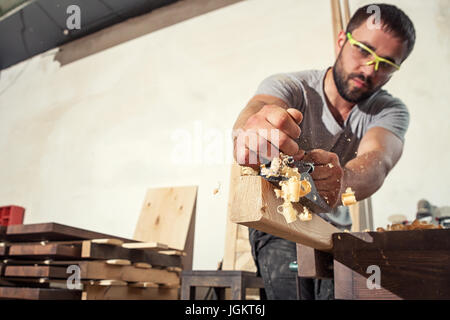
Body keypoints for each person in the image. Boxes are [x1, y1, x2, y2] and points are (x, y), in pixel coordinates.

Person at [232, 3, 416, 300]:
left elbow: (378, 161)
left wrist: (342, 180)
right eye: (364, 51)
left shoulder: (390, 110)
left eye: (386, 63)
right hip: (280, 222)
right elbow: (257, 110)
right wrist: (250, 130)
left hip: (336, 231)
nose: (370, 69)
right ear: (342, 40)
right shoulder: (292, 86)